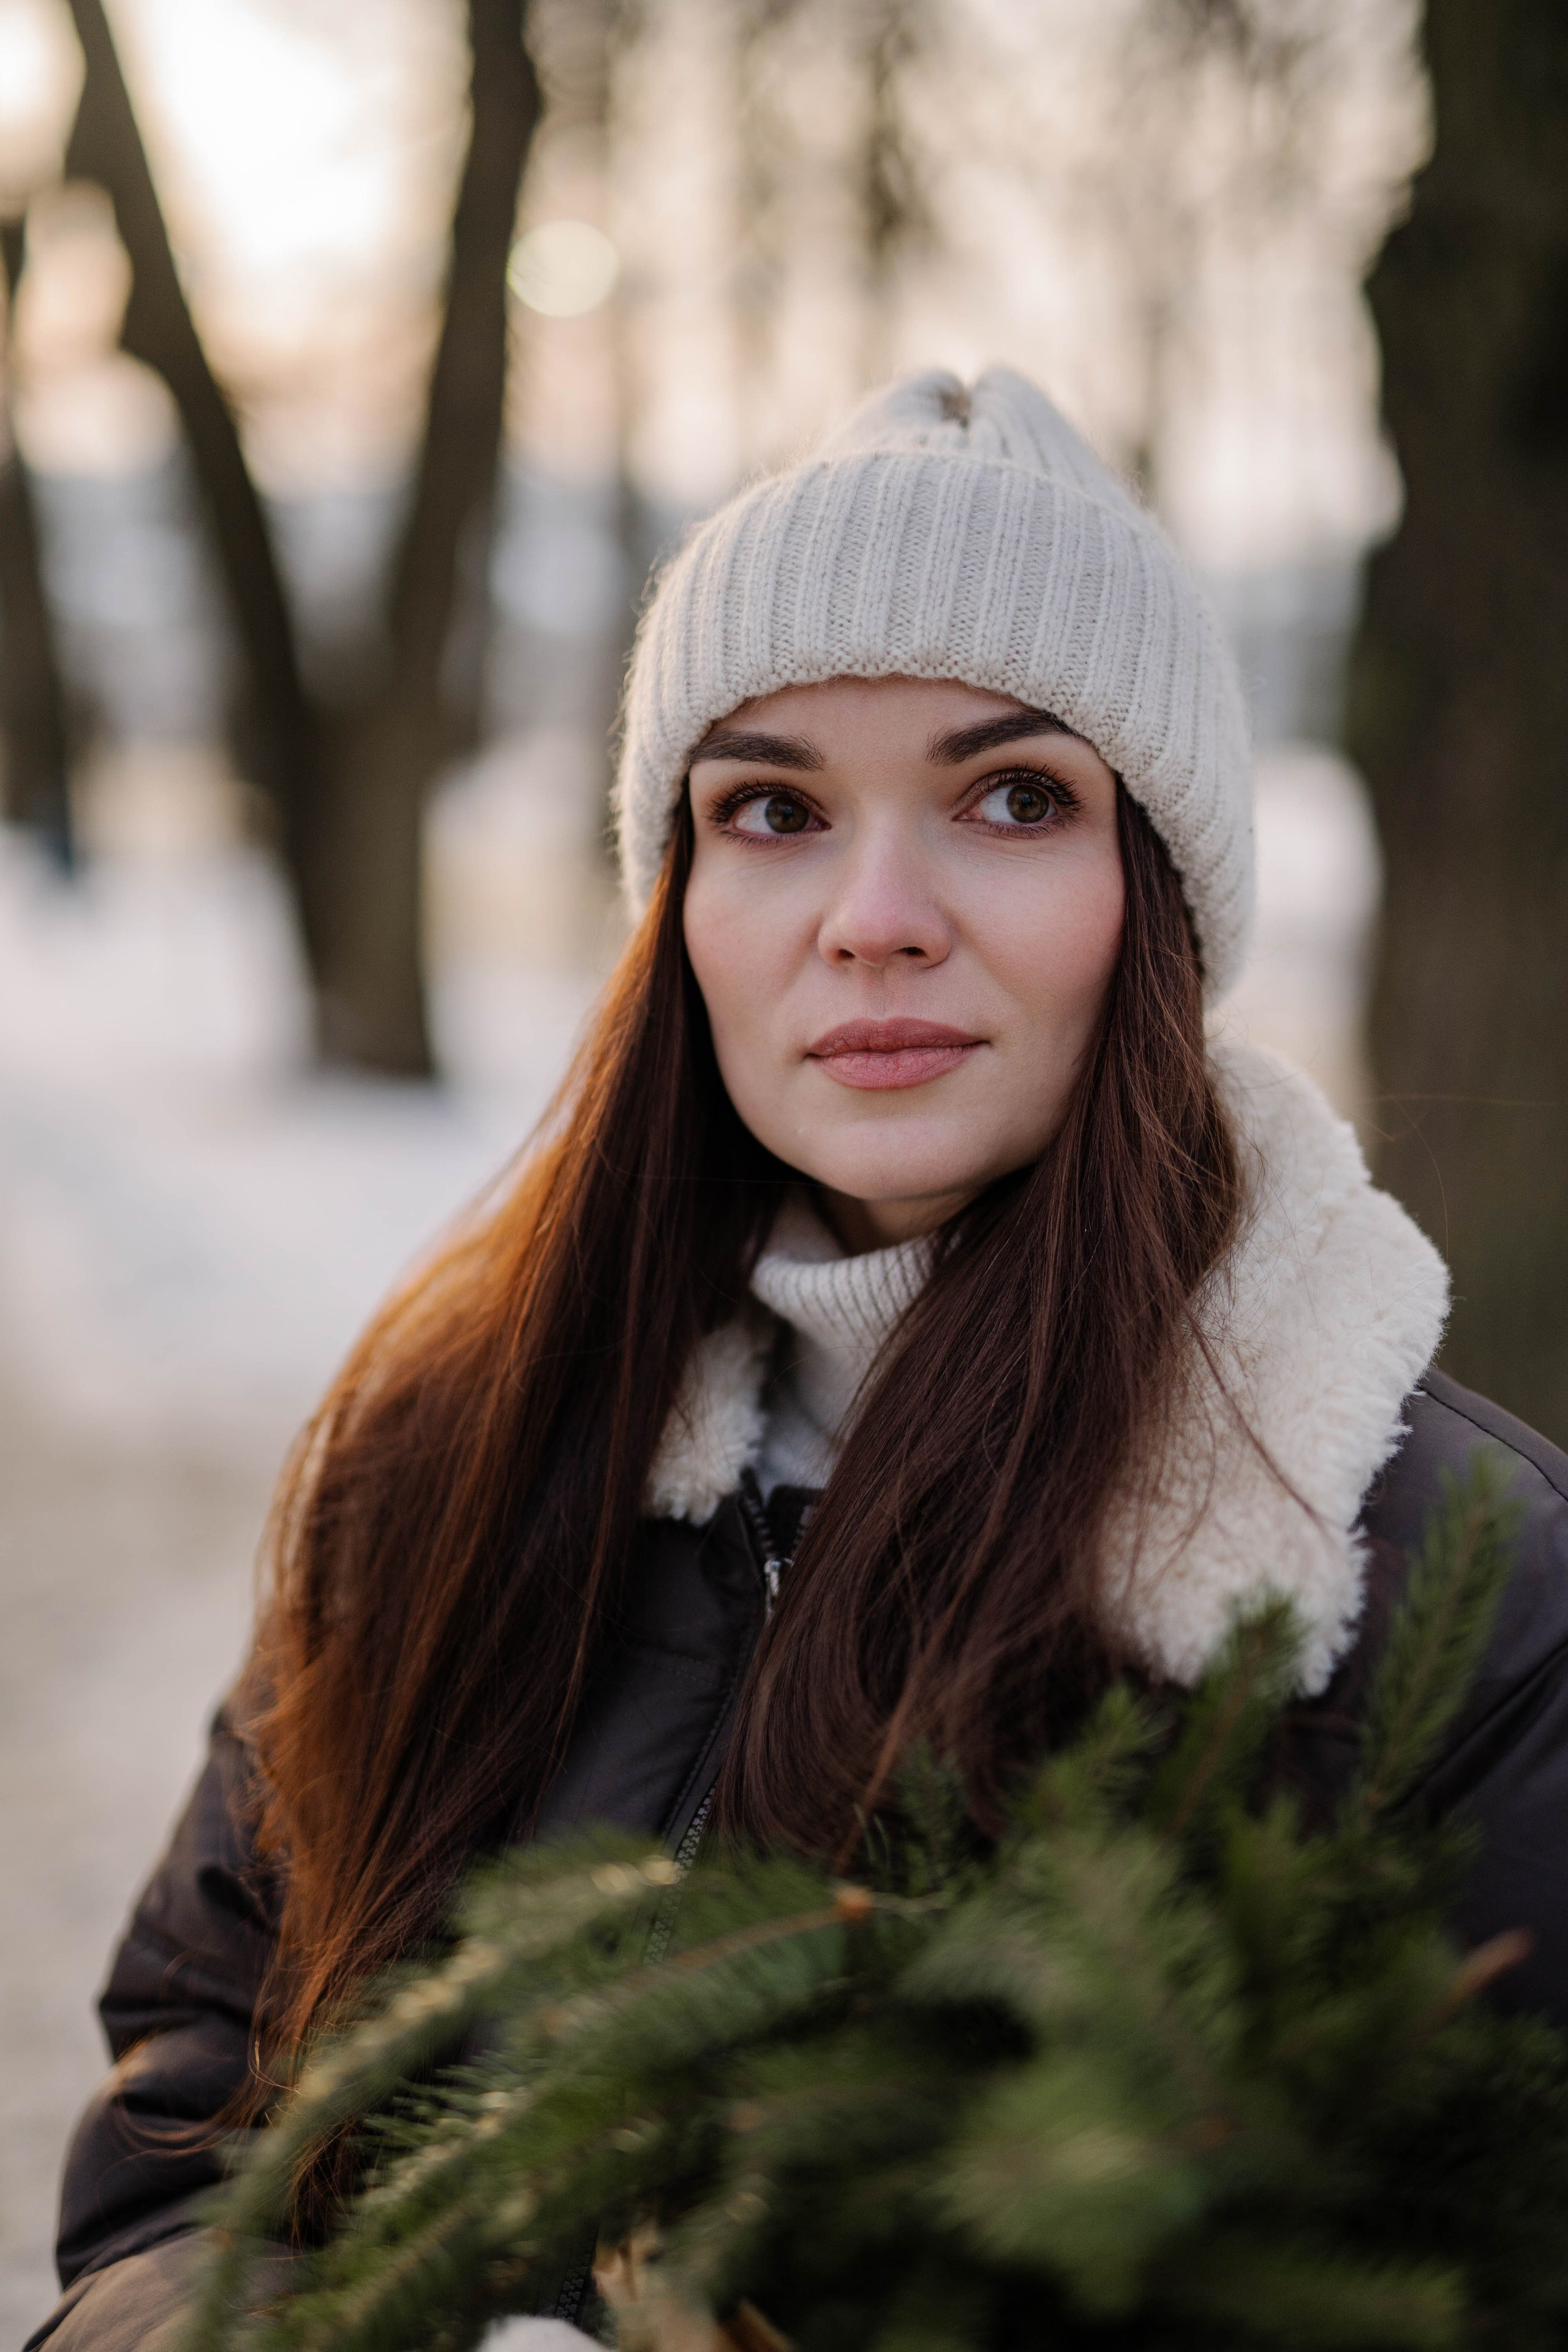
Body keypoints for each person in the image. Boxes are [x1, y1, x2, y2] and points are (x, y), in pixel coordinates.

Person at [29, 369, 1568, 2352]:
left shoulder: (1445, 1585)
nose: (874, 920)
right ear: (681, 905)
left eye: (1014, 797)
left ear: (1161, 900)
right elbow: (179, 2166)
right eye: (772, 809)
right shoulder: (442, 1467)